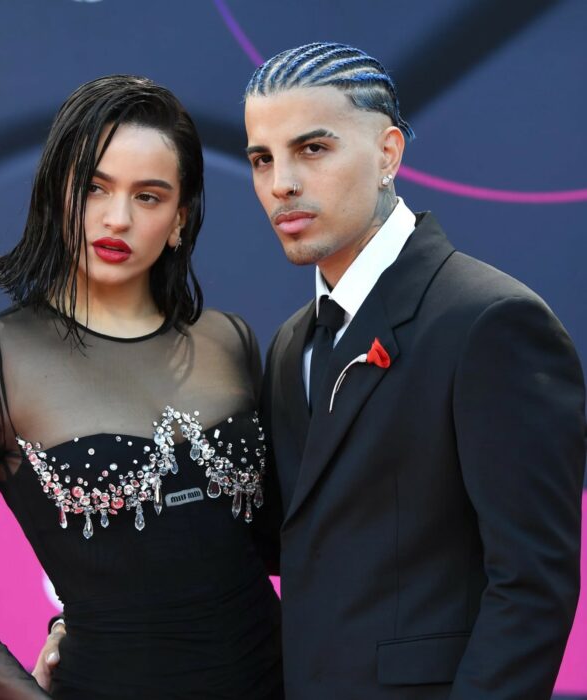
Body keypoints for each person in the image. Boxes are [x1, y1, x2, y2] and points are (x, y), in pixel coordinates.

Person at [0, 75, 283, 699]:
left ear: (180, 219)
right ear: (56, 192)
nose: (116, 218)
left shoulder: (229, 341)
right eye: (94, 187)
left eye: (148, 197)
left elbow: (267, 540)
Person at [244, 42, 586, 699]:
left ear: (388, 154)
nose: (281, 182)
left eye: (312, 149)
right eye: (262, 158)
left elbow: (532, 584)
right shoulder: (292, 343)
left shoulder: (492, 322)